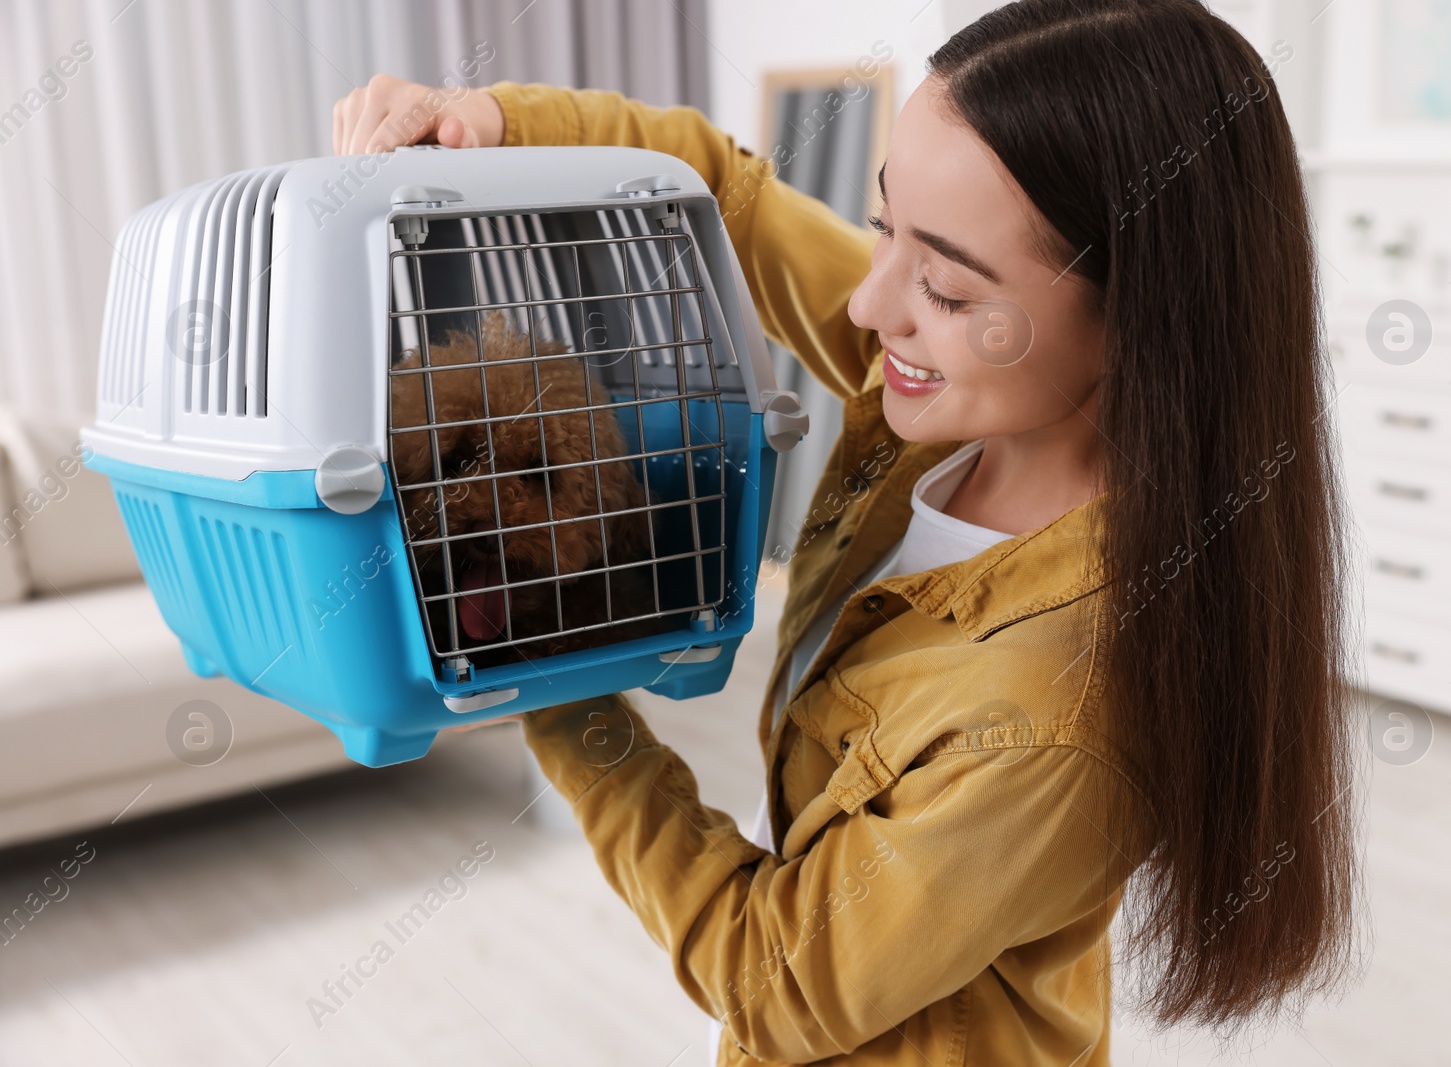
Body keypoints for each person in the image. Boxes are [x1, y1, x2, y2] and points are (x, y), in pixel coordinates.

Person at [331, 1, 1362, 1063]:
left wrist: (555, 685)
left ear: (1141, 317)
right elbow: (725, 196)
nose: (871, 307)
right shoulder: (932, 413)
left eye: (948, 287)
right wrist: (488, 120)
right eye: (882, 227)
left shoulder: (1054, 717)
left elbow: (770, 980)